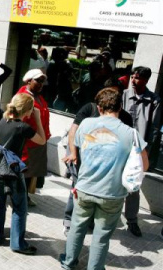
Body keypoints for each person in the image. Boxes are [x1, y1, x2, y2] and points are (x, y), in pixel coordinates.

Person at [60, 88, 149, 270]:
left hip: (84, 188)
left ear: (99, 108)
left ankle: (69, 263)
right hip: (113, 194)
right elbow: (144, 165)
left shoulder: (85, 125)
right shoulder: (131, 133)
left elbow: (75, 145)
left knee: (77, 229)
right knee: (102, 236)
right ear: (120, 107)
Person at [61, 91, 134, 236]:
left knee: (96, 195)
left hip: (108, 165)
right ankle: (69, 221)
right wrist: (73, 153)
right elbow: (73, 131)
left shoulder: (125, 117)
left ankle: (89, 223)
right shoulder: (90, 109)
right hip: (85, 161)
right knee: (77, 189)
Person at [0, 93, 46, 254]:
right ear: (27, 110)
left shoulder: (2, 121)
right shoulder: (22, 127)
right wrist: (38, 118)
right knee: (20, 208)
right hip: (13, 171)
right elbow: (42, 140)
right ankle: (18, 244)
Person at [121, 66, 161, 237]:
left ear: (145, 80)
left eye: (137, 78)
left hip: (137, 150)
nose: (133, 80)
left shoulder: (154, 100)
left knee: (133, 186)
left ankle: (131, 220)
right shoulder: (123, 95)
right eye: (133, 77)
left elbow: (153, 128)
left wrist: (146, 153)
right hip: (119, 146)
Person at [17, 69, 51, 207]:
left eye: (42, 81)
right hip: (27, 142)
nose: (41, 84)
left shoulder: (39, 97)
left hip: (38, 141)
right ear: (29, 80)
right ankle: (19, 198)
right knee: (24, 171)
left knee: (31, 173)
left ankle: (23, 196)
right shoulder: (23, 97)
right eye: (38, 80)